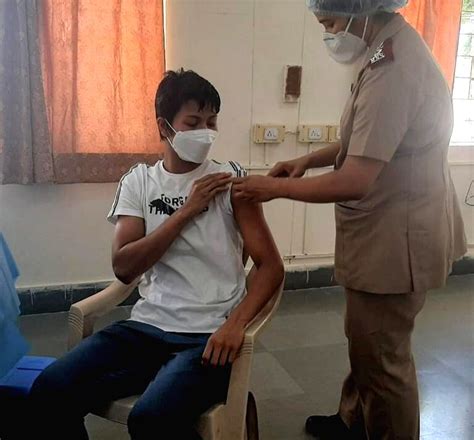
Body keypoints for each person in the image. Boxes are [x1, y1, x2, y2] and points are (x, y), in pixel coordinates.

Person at [232, 1, 467, 439]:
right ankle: (351, 421)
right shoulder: (383, 49)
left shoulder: (394, 70)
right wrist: (307, 159)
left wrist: (274, 188)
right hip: (389, 228)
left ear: (363, 7)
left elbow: (356, 178)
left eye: (332, 23)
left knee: (383, 362)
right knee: (367, 342)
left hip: (399, 242)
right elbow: (364, 135)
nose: (329, 34)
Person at [29, 69, 284, 440]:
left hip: (206, 336)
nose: (205, 132)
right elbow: (124, 266)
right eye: (193, 122)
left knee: (152, 418)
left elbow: (270, 266)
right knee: (50, 388)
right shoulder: (139, 182)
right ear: (165, 127)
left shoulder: (231, 182)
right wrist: (185, 211)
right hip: (146, 328)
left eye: (212, 122)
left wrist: (235, 325)